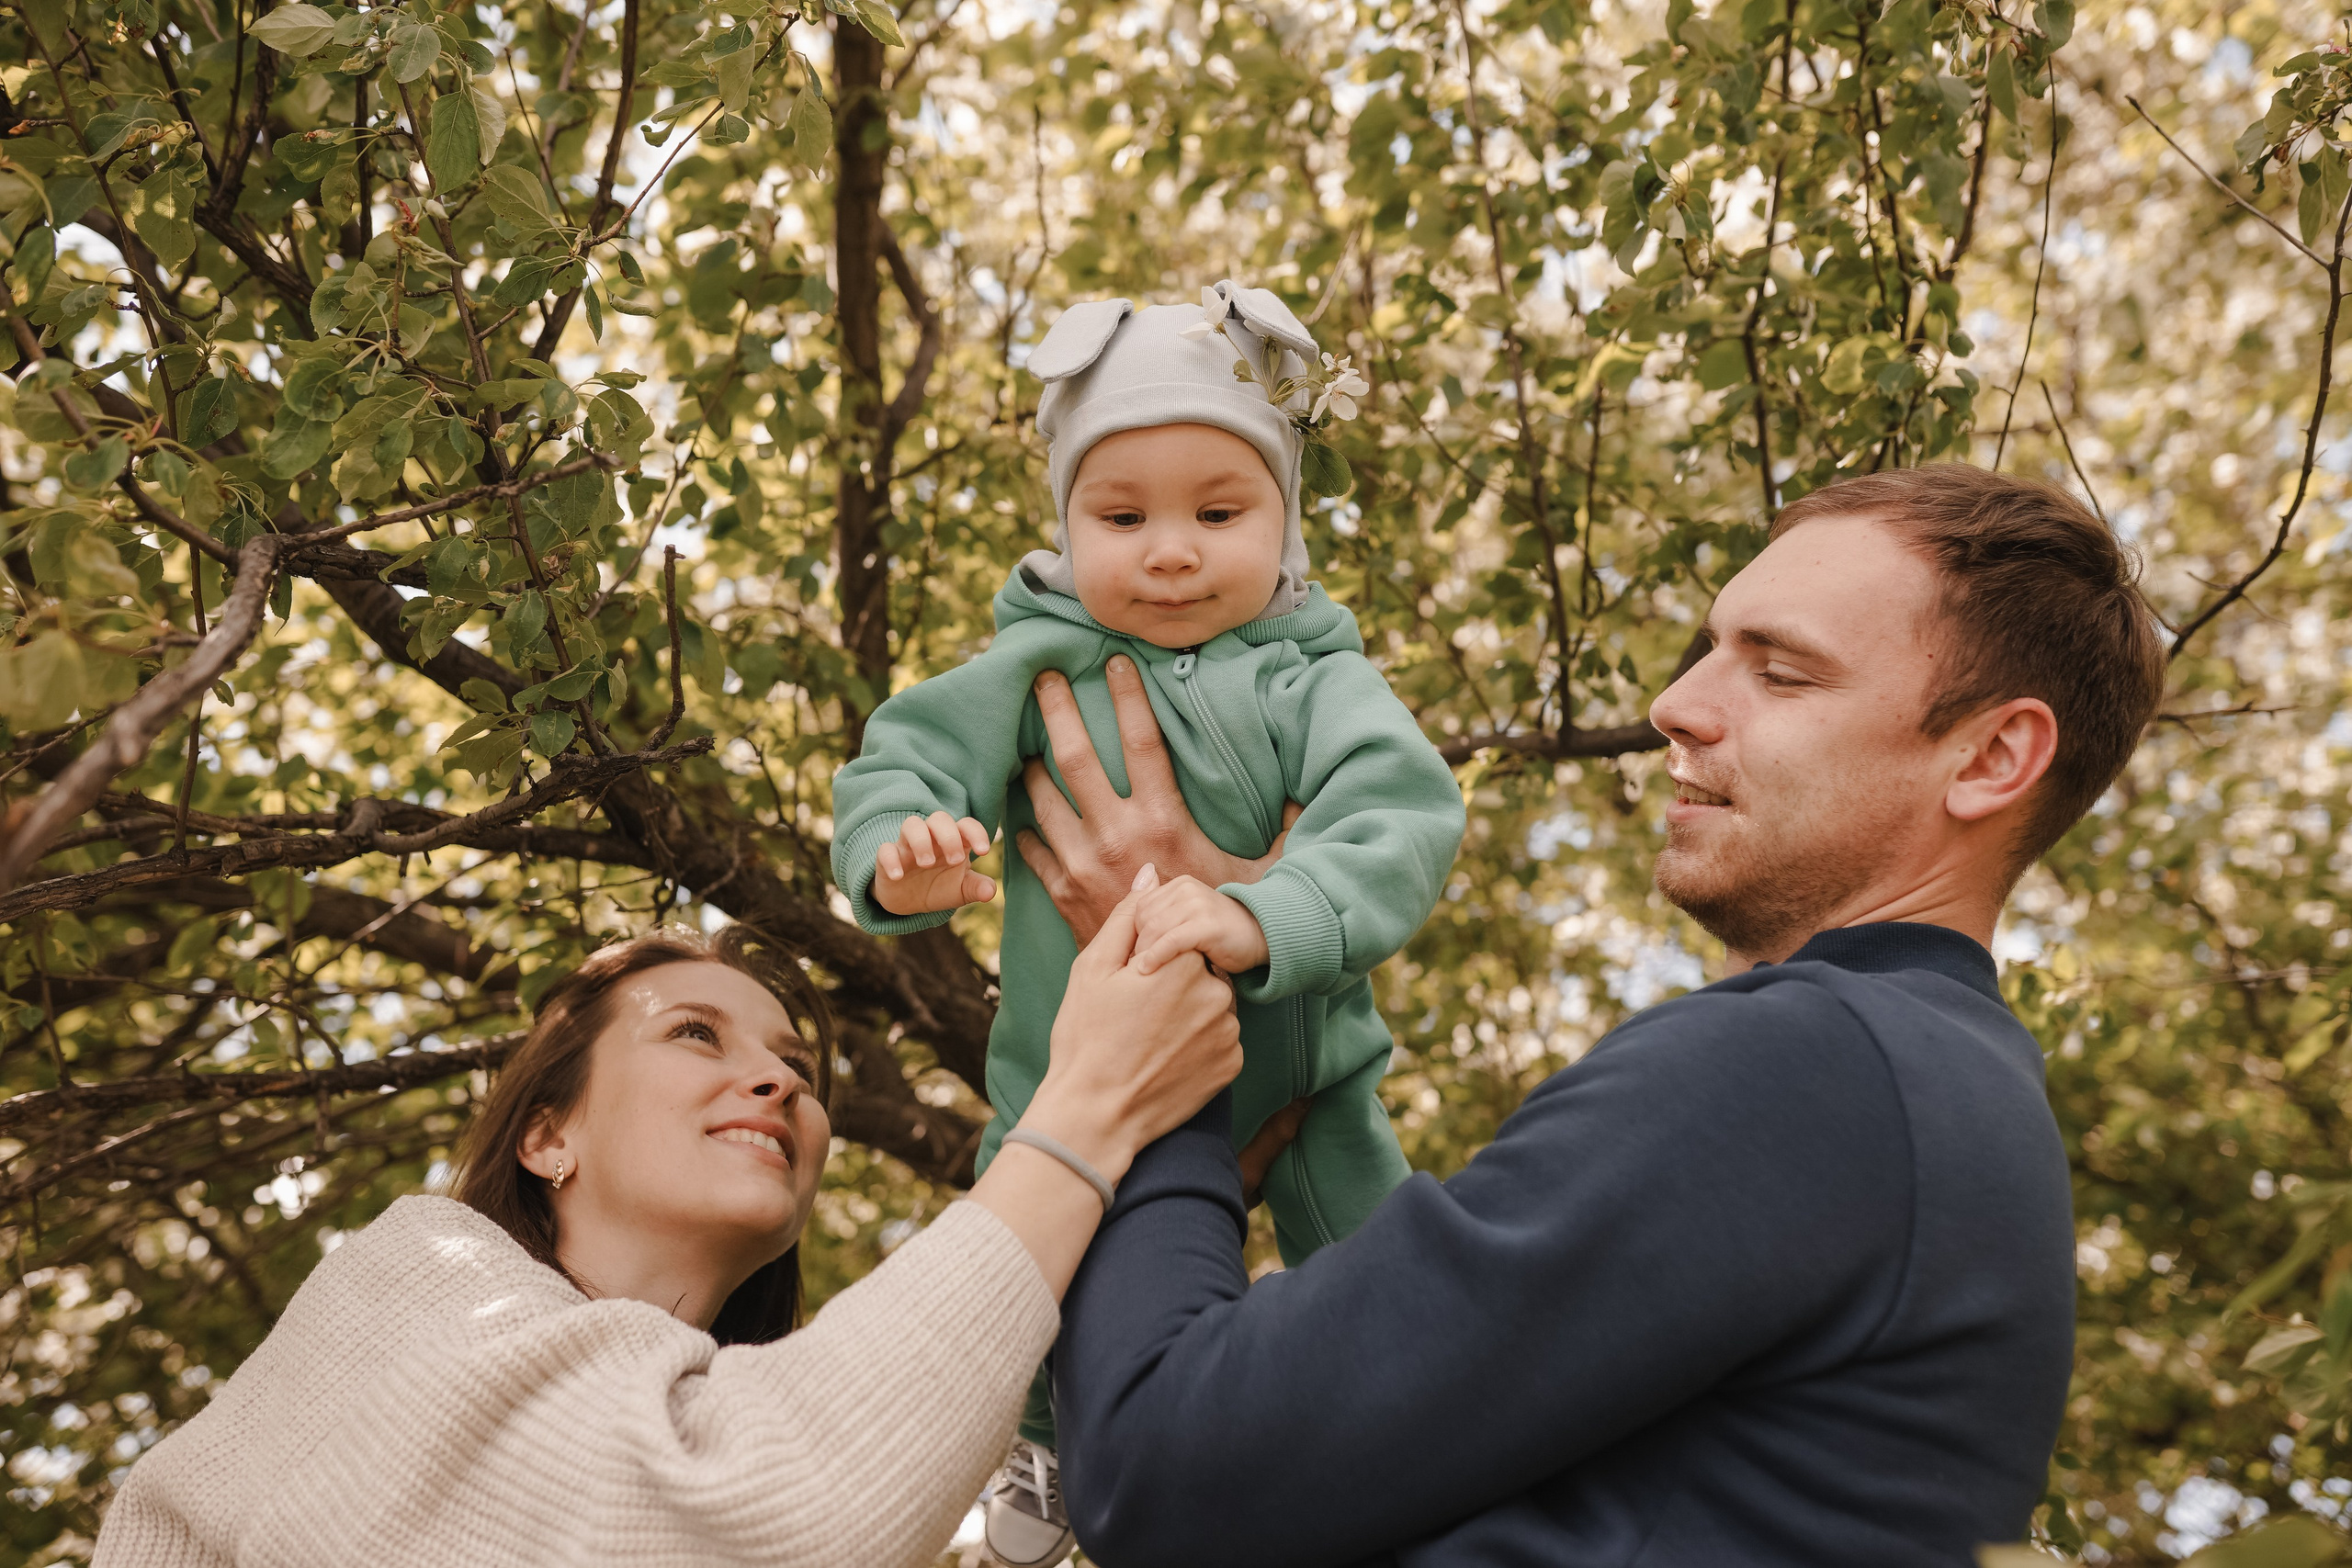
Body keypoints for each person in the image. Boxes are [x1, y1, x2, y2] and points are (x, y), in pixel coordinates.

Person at [1029, 466, 2169, 1566]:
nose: (1675, 706)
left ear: (1990, 757)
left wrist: (1159, 1019)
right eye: (1707, 649)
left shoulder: (1809, 1066)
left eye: (1781, 675)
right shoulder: (1935, 1092)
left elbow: (1164, 1470)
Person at [828, 281, 1464, 1562]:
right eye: (1123, 516)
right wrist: (902, 855)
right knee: (1022, 1250)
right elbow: (902, 760)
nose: (1170, 549)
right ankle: (1038, 1440)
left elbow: (1401, 812)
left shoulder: (1316, 674)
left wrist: (1263, 909)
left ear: (1284, 522)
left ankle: (1459, 1444)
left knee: (1408, 1281)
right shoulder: (1029, 667)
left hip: (1312, 1065)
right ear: (1066, 526)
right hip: (1086, 1065)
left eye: (1218, 512)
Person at [90, 901, 1240, 1568]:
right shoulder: (411, 1277)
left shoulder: (688, 1397)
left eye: (797, 1067)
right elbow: (748, 1501)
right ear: (547, 1137)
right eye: (697, 1034)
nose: (774, 1082)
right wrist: (1091, 1105)